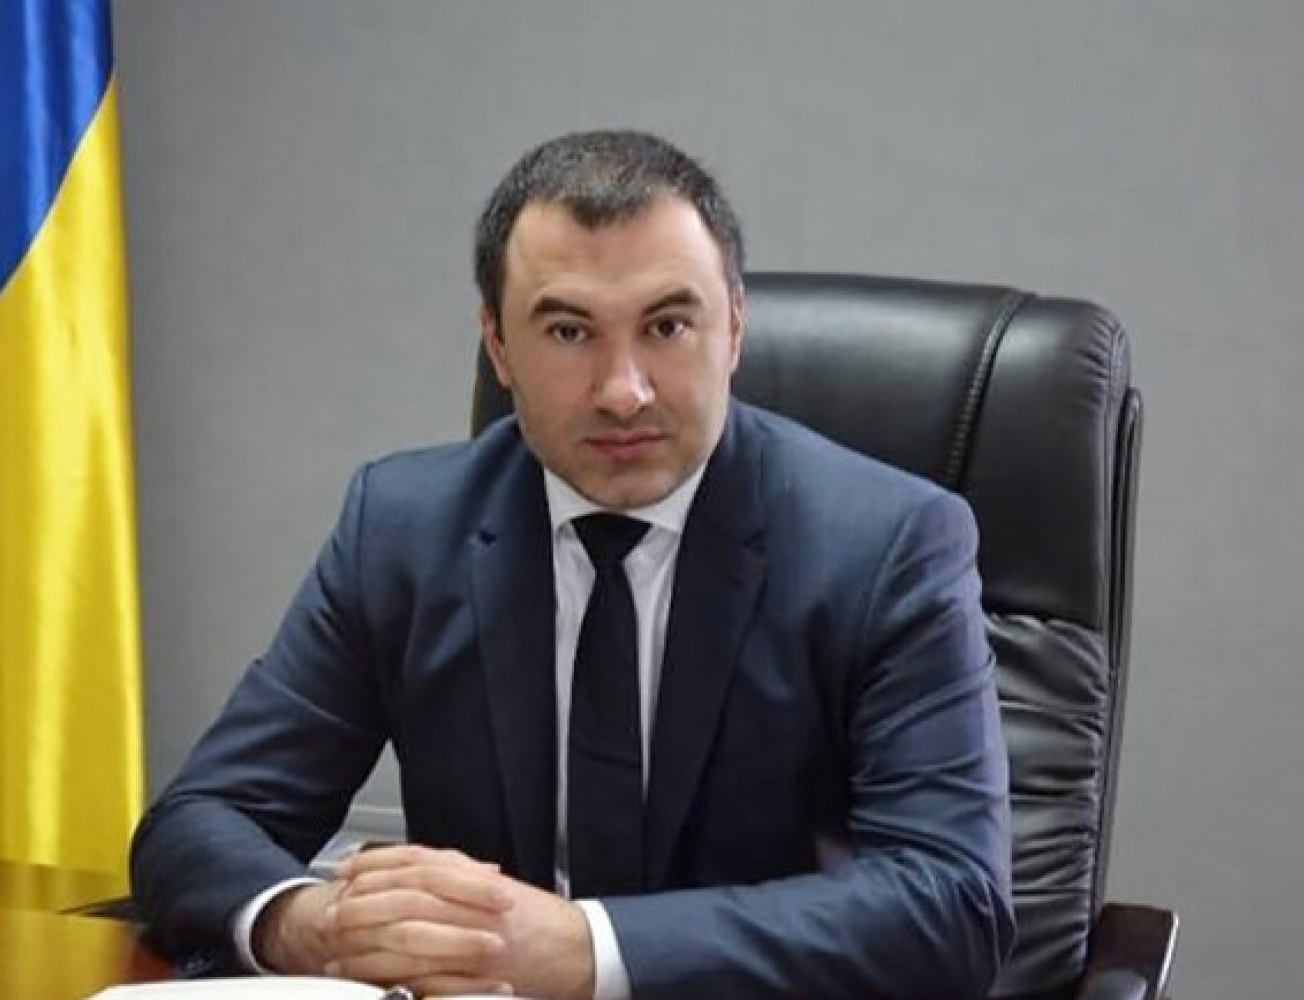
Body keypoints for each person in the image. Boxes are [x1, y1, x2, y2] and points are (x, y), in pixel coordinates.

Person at [131, 130, 1015, 1000]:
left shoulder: (887, 545)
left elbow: (950, 903)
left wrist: (583, 949)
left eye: (667, 326)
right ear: (497, 346)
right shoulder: (403, 529)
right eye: (567, 331)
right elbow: (199, 821)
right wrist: (318, 924)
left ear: (735, 327)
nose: (622, 390)